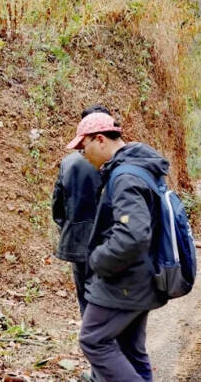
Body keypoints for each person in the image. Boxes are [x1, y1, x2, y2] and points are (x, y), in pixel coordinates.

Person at [66, 112, 169, 381]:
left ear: (100, 140)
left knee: (93, 340)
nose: (82, 154)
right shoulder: (138, 166)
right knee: (131, 350)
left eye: (83, 146)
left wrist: (98, 259)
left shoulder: (124, 176)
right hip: (143, 277)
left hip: (126, 282)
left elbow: (133, 234)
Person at [52, 105, 116, 316]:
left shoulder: (68, 163)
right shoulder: (113, 162)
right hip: (108, 243)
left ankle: (91, 342)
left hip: (78, 242)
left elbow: (58, 208)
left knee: (86, 300)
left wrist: (69, 228)